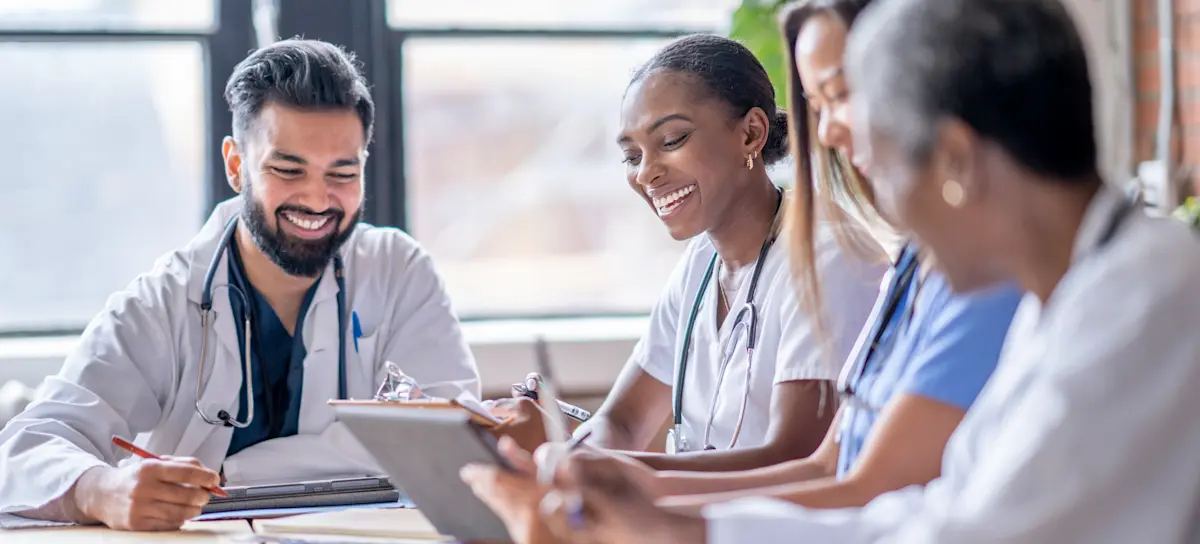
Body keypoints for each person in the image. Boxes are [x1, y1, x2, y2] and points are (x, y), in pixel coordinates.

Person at [475, 0, 1200, 541]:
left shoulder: (1146, 301)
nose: (893, 231)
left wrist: (678, 528)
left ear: (954, 162)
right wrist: (671, 519)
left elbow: (975, 530)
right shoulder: (1069, 296)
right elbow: (928, 511)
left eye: (881, 164)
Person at [0, 39, 480, 531]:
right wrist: (100, 490)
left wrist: (231, 473)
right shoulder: (164, 301)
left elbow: (453, 451)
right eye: (287, 170)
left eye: (343, 172)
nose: (318, 199)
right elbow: (27, 446)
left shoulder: (400, 273)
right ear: (236, 165)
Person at [613, 0, 1023, 511]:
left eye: (843, 95)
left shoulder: (985, 280)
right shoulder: (922, 268)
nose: (826, 132)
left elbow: (847, 478)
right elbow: (830, 465)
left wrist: (637, 495)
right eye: (817, 105)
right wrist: (609, 479)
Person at [493, 33, 885, 473]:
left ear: (751, 134)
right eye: (631, 155)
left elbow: (795, 459)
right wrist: (568, 452)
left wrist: (615, 473)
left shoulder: (830, 257)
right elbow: (621, 425)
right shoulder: (701, 265)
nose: (647, 173)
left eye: (673, 139)